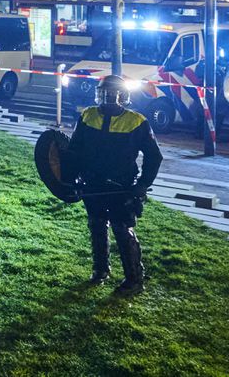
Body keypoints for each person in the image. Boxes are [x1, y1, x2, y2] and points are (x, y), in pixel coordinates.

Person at [68, 74, 163, 295]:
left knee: (122, 229)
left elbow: (154, 156)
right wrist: (71, 177)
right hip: (92, 183)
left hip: (121, 186)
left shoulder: (136, 121)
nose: (108, 99)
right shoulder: (88, 116)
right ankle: (100, 270)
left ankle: (134, 279)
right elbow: (74, 150)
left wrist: (143, 184)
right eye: (104, 94)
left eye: (113, 95)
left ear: (123, 96)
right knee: (96, 224)